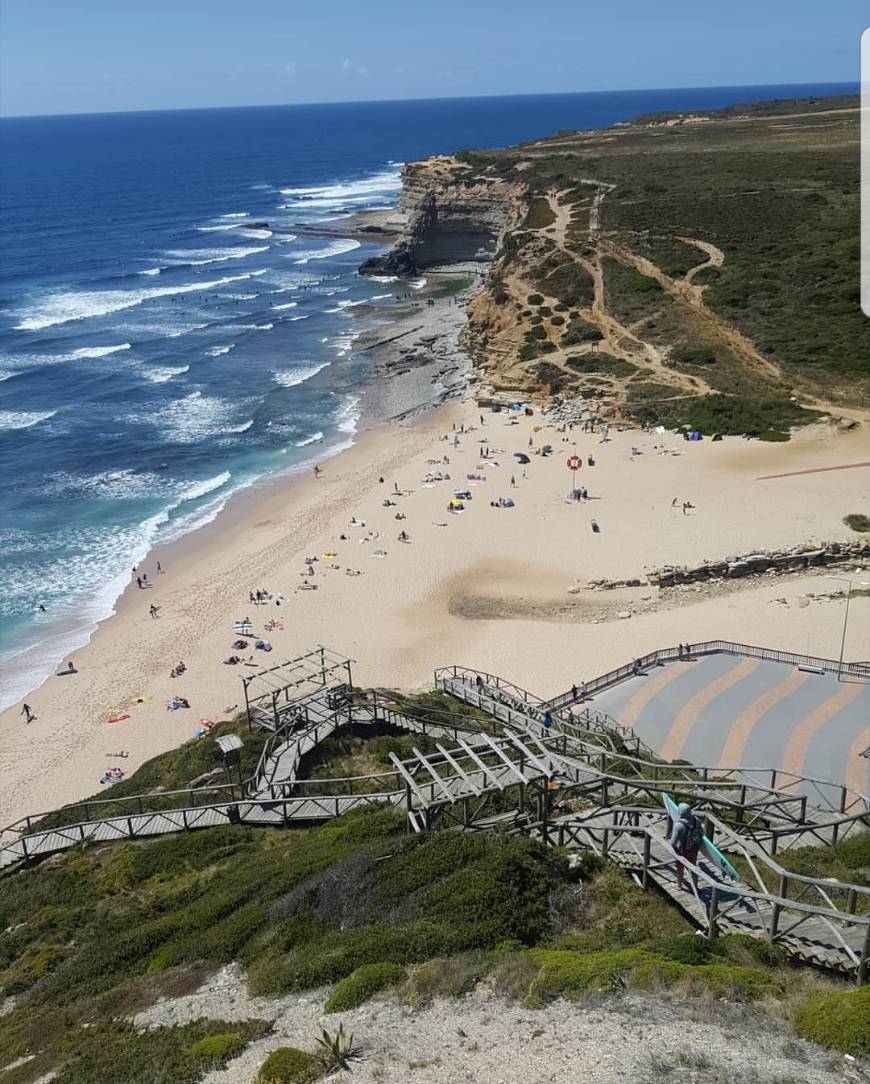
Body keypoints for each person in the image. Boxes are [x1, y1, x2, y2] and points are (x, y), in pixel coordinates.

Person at [671, 802, 703, 891]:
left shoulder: (679, 825)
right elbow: (702, 833)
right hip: (694, 849)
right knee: (693, 868)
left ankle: (679, 886)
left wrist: (676, 850)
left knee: (680, 868)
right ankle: (695, 887)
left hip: (682, 850)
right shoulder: (697, 820)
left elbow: (673, 843)